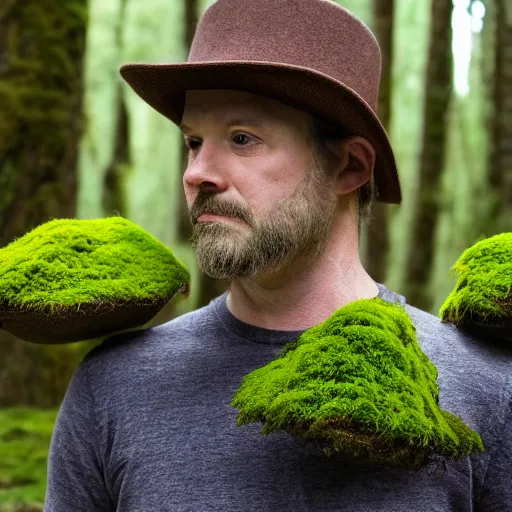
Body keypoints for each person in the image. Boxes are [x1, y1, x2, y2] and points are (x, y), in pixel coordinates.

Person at [44, 1, 512, 510]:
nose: (197, 172)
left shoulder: (484, 389)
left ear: (350, 167)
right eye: (193, 141)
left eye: (242, 138)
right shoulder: (113, 385)